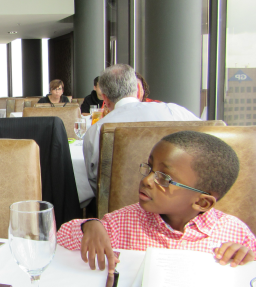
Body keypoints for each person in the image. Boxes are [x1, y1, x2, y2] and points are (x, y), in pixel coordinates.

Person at [60, 131, 256, 273]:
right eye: (150, 168)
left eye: (164, 179)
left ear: (202, 203)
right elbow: (62, 237)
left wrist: (247, 260)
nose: (146, 180)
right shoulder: (124, 223)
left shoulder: (235, 233)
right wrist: (90, 226)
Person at [83, 64, 200, 195]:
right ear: (139, 89)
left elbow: (96, 182)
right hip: (182, 201)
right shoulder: (175, 112)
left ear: (105, 98)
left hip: (120, 205)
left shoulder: (97, 130)